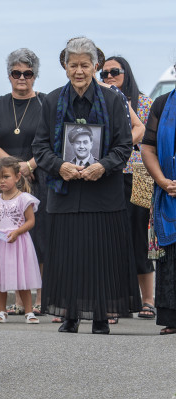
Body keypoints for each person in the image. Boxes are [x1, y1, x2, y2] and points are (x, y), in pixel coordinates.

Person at [32, 37, 140, 335]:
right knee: (67, 256)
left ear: (95, 66)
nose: (78, 71)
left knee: (101, 255)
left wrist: (102, 165)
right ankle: (69, 314)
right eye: (72, 65)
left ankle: (102, 316)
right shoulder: (52, 100)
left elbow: (124, 144)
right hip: (64, 193)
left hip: (103, 192)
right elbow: (40, 147)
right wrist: (59, 165)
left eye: (84, 65)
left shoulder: (113, 100)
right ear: (65, 66)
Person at [0, 48, 47, 317]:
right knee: (9, 240)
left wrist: (30, 165)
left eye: (28, 73)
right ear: (9, 75)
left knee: (39, 240)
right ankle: (18, 302)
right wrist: (14, 166)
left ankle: (41, 299)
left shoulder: (45, 103)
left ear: (35, 76)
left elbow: (51, 143)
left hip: (38, 176)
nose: (22, 78)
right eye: (16, 73)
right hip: (6, 181)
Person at [102, 55, 155, 321]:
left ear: (127, 72)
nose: (109, 77)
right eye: (104, 74)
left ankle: (148, 300)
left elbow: (147, 135)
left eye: (115, 71)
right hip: (109, 176)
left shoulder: (144, 102)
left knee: (138, 240)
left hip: (138, 176)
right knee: (113, 241)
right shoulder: (100, 103)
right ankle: (116, 300)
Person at [0, 157, 42, 324]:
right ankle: (2, 311)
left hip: (18, 243)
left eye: (6, 177)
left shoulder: (24, 198)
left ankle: (29, 312)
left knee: (21, 278)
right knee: (0, 279)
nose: (1, 181)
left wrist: (17, 232)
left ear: (17, 177)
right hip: (0, 243)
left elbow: (30, 221)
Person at [141, 65, 176, 334]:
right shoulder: (163, 104)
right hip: (169, 192)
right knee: (170, 257)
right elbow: (148, 147)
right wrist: (163, 182)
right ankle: (172, 317)